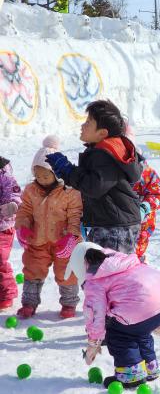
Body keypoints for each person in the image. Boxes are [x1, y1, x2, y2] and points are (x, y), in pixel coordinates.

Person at [66, 242, 160, 390]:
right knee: (139, 330)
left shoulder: (95, 280)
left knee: (119, 334)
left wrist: (93, 342)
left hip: (142, 308)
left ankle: (131, 377)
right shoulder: (127, 262)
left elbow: (95, 314)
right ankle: (150, 367)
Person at [46, 100, 143, 253]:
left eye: (88, 122)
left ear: (102, 133)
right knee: (100, 271)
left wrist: (68, 170)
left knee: (107, 272)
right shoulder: (103, 151)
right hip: (113, 223)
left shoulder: (106, 155)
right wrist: (66, 173)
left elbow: (93, 187)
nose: (83, 125)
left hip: (115, 227)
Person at [14, 136, 82, 319]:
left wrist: (72, 236)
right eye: (37, 175)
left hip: (64, 242)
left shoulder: (70, 191)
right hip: (37, 240)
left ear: (56, 174)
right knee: (32, 270)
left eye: (45, 175)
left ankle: (68, 303)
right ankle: (29, 303)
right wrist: (22, 227)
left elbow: (76, 215)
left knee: (66, 272)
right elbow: (24, 210)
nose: (41, 179)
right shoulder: (30, 190)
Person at [124, 126, 160, 263]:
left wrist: (146, 207)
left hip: (142, 222)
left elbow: (157, 195)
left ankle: (138, 265)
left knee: (135, 253)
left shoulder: (147, 173)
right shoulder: (110, 171)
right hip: (116, 221)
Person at [0, 156, 21, 311]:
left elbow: (16, 195)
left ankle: (8, 293)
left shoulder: (4, 173)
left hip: (3, 225)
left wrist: (13, 205)